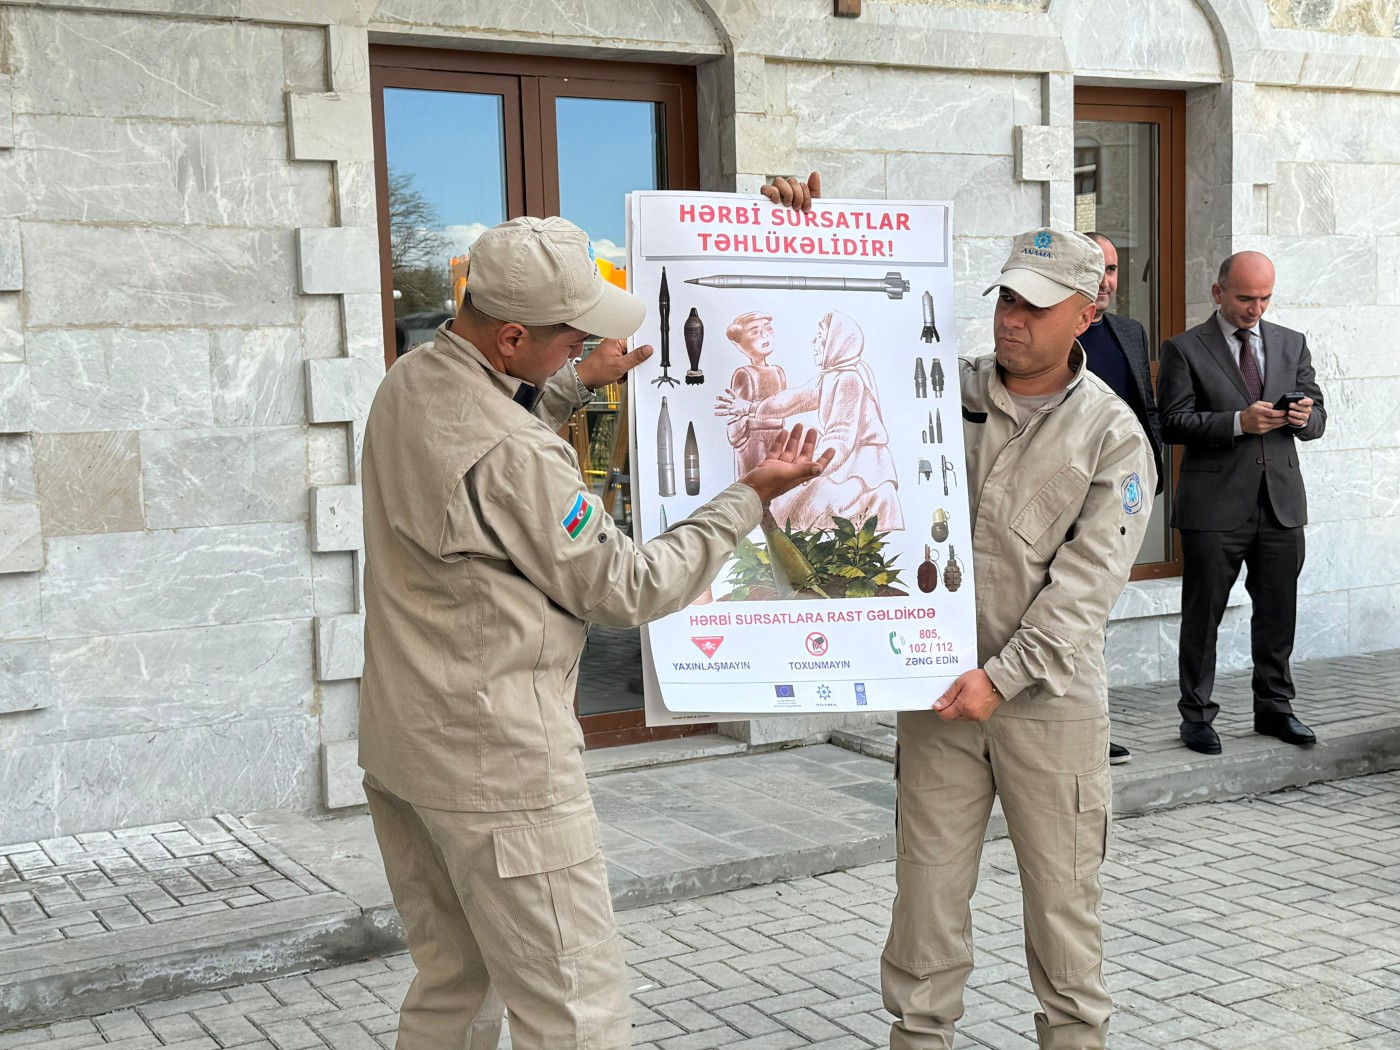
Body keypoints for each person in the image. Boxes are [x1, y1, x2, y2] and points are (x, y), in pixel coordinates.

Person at [357, 214, 832, 1050]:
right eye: (570, 337)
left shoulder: (409, 382)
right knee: (574, 1010)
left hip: (406, 748)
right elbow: (626, 585)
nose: (582, 345)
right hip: (498, 767)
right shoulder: (513, 452)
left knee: (452, 987)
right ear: (509, 338)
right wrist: (749, 494)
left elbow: (493, 463)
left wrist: (574, 381)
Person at [883, 228, 1155, 1049]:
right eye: (1006, 297)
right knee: (923, 919)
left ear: (1086, 312)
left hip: (1052, 709)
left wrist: (1001, 678)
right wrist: (799, 233)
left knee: (1064, 926)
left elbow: (1085, 591)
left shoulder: (1113, 435)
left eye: (1035, 305)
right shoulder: (937, 389)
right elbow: (838, 366)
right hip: (938, 701)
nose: (1011, 319)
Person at [1157, 251, 1325, 756]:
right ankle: (1197, 717)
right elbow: (1171, 422)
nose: (1256, 308)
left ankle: (1275, 708)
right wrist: (1236, 423)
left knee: (1278, 614)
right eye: (1246, 297)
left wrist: (1301, 416)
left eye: (1265, 297)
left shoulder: (1291, 343)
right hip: (1213, 506)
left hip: (1280, 504)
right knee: (1202, 614)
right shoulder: (1183, 349)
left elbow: (1318, 422)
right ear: (1218, 292)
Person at [1081, 232, 1165, 765]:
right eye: (1096, 269)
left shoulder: (1129, 333)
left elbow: (1145, 407)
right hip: (1053, 499)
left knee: (1097, 617)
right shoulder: (1051, 332)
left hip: (1112, 501)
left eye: (1112, 269)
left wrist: (1153, 472)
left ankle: (1089, 726)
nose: (1106, 280)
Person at [717, 309, 903, 532]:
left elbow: (841, 435)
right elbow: (792, 400)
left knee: (791, 508)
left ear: (835, 343)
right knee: (783, 505)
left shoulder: (849, 378)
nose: (814, 342)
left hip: (860, 472)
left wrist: (812, 467)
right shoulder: (832, 376)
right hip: (842, 464)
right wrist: (751, 408)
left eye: (820, 337)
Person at [722, 311, 789, 476]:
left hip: (778, 435)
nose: (764, 336)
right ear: (739, 344)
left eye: (768, 330)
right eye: (754, 333)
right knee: (755, 484)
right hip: (753, 439)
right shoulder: (744, 374)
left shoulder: (779, 372)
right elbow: (737, 414)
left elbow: (784, 407)